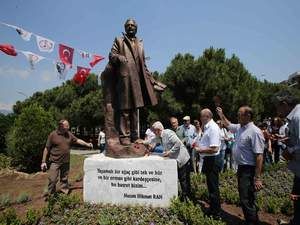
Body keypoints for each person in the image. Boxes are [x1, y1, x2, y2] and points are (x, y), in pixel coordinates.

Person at [108, 18, 158, 145]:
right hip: (124, 79)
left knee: (135, 110)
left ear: (136, 28)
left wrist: (152, 80)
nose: (130, 27)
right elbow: (111, 55)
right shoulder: (119, 40)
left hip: (137, 80)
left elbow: (143, 64)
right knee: (125, 109)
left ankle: (135, 136)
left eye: (133, 25)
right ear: (125, 28)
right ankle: (124, 136)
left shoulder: (140, 42)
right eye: (128, 25)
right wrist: (119, 57)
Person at [217, 106, 264, 225]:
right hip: (242, 168)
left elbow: (259, 156)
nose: (237, 117)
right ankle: (251, 220)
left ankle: (252, 222)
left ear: (248, 116)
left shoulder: (255, 131)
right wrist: (221, 114)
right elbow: (227, 124)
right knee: (245, 197)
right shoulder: (239, 127)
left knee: (246, 198)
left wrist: (257, 178)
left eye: (239, 114)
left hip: (249, 169)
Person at [138, 121, 191, 201]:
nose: (153, 132)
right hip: (175, 159)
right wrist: (142, 142)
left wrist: (169, 152)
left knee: (183, 179)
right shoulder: (159, 136)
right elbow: (152, 140)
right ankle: (181, 196)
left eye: (154, 131)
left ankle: (186, 198)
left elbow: (178, 143)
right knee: (177, 178)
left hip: (182, 158)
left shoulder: (168, 133)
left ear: (158, 130)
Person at [41, 119, 93, 197]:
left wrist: (87, 144)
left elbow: (78, 140)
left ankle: (64, 195)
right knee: (52, 179)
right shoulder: (53, 135)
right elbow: (47, 148)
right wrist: (43, 161)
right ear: (61, 126)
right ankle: (51, 196)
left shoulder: (69, 134)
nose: (69, 127)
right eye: (67, 126)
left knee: (64, 179)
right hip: (55, 162)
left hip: (65, 161)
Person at [274, 90, 300, 225]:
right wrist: (286, 139)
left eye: (277, 106)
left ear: (284, 104)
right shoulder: (295, 116)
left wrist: (288, 151)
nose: (277, 110)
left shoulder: (297, 117)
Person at [194, 109, 222, 217]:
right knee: (210, 186)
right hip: (208, 159)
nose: (200, 119)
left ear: (207, 117)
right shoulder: (207, 127)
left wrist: (200, 150)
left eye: (201, 117)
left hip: (212, 160)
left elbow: (214, 149)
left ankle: (216, 212)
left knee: (213, 187)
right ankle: (213, 208)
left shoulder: (213, 128)